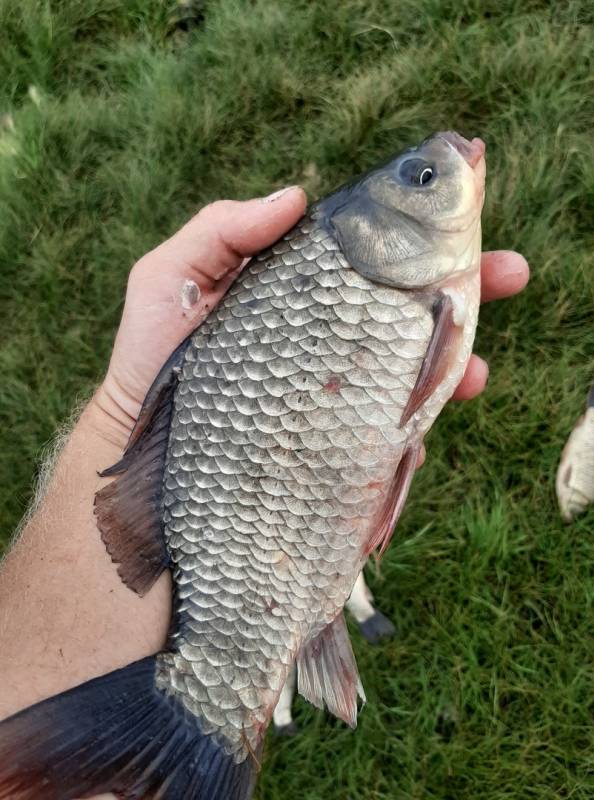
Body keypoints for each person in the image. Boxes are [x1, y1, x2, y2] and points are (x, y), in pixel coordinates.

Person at [0, 187, 528, 792]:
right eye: (423, 176)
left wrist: (117, 411)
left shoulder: (402, 277)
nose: (447, 171)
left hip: (266, 514)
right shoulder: (416, 286)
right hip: (249, 521)